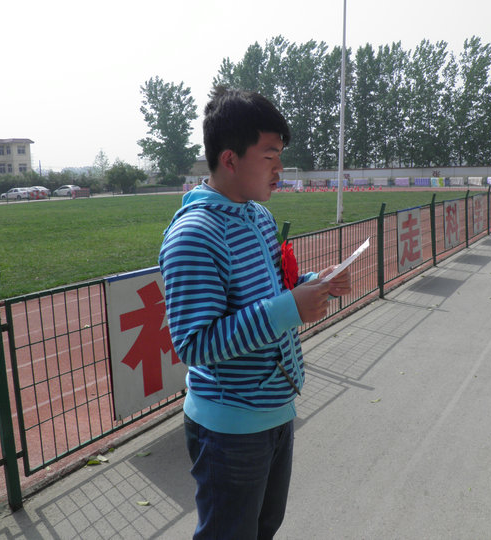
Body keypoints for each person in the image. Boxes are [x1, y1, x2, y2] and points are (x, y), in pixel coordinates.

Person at [158, 86, 351, 539]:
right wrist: (289, 308)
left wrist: (314, 284)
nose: (280, 169)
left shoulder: (258, 216)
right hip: (229, 428)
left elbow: (272, 291)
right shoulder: (195, 235)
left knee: (265, 527)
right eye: (269, 156)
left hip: (276, 410)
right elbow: (194, 345)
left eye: (280, 155)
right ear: (230, 159)